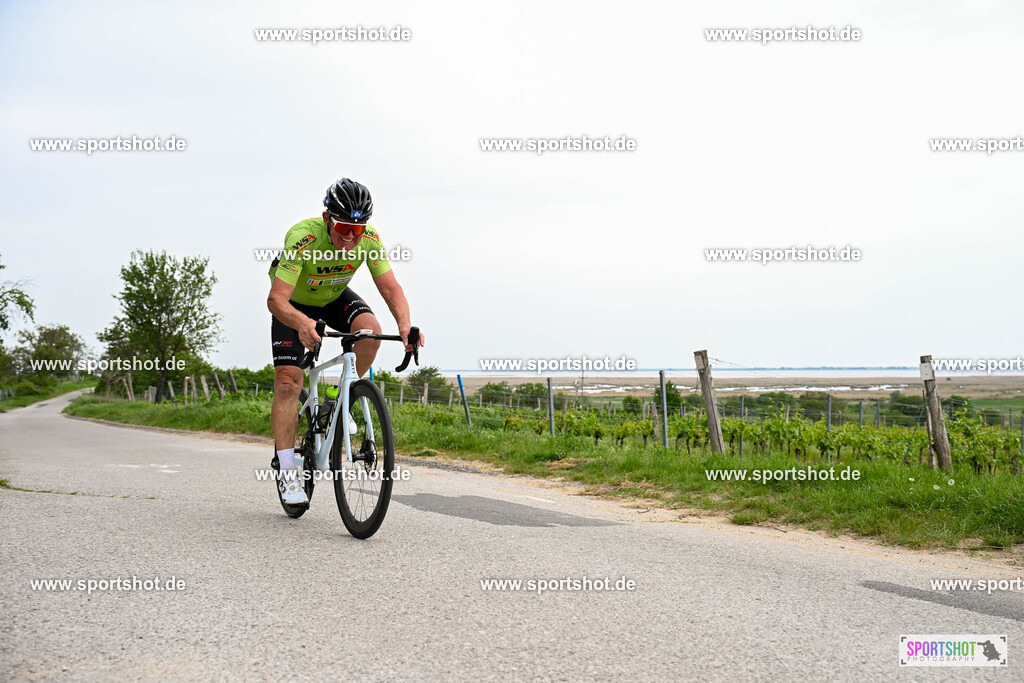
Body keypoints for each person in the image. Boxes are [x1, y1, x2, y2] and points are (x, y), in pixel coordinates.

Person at [266, 178, 423, 505]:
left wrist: (406, 327)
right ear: (327, 219)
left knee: (371, 331)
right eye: (343, 229)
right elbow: (276, 299)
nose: (351, 238)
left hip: (333, 297)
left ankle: (340, 398)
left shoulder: (370, 239)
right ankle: (286, 470)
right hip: (294, 303)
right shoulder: (303, 238)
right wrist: (301, 323)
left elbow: (391, 289)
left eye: (358, 229)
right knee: (287, 383)